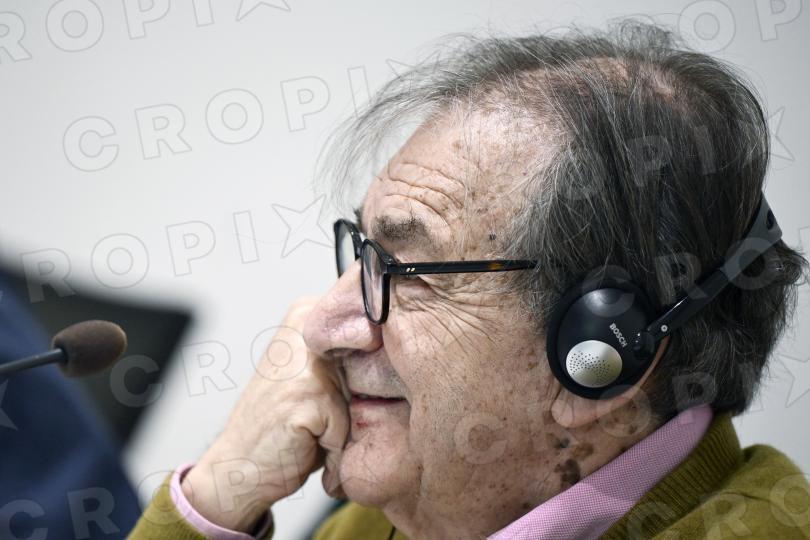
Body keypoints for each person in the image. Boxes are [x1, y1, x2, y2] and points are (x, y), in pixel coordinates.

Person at [128, 20, 810, 539]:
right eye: (363, 253)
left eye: (409, 272)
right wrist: (217, 501)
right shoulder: (401, 512)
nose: (320, 325)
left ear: (604, 350)